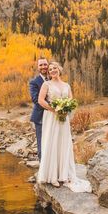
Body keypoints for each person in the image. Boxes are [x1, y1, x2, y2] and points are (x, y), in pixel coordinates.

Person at [37, 61, 92, 192]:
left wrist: (67, 109)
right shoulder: (46, 84)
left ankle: (64, 174)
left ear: (59, 69)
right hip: (51, 117)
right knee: (52, 142)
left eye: (54, 68)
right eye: (50, 69)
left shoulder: (67, 85)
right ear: (49, 73)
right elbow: (40, 100)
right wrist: (54, 109)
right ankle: (52, 176)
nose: (52, 70)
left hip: (64, 119)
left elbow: (72, 100)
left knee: (64, 143)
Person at [29, 57, 48, 161]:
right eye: (41, 65)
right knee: (41, 142)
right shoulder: (34, 82)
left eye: (45, 64)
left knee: (51, 141)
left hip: (54, 117)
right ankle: (42, 168)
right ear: (38, 67)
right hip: (40, 117)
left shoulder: (53, 79)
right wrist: (53, 107)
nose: (43, 67)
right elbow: (36, 99)